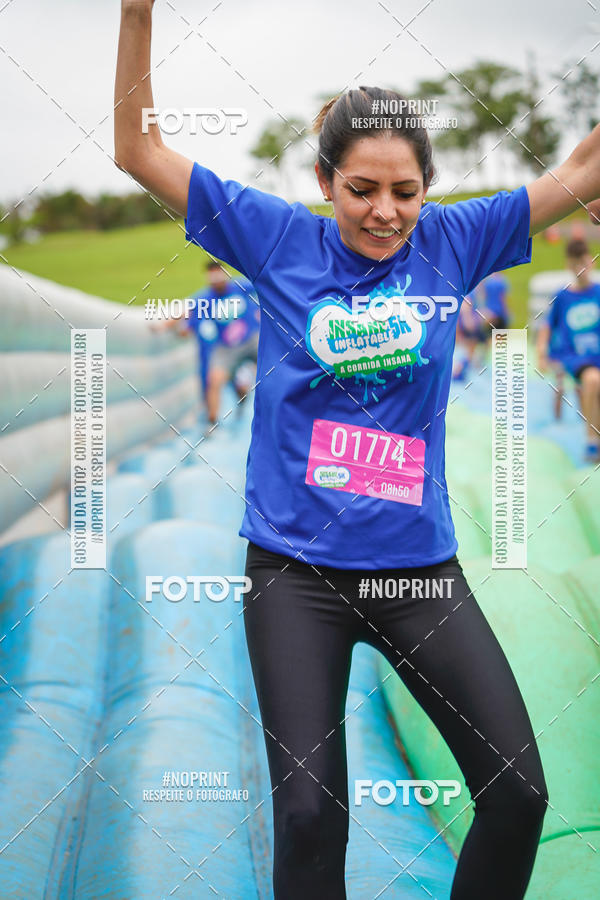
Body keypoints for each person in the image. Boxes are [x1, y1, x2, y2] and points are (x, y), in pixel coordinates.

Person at [115, 3, 600, 896]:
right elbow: (138, 152)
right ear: (325, 179)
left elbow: (581, 170)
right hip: (296, 576)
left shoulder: (456, 239)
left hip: (417, 571)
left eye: (405, 192)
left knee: (518, 793)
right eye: (362, 190)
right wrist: (138, 15)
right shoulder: (274, 237)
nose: (384, 212)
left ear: (428, 190)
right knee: (308, 817)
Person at [537, 238, 600, 460]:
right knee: (592, 381)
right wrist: (542, 353)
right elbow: (546, 327)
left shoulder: (598, 292)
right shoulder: (563, 297)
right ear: (569, 266)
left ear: (591, 262)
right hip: (575, 358)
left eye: (584, 263)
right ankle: (591, 441)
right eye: (575, 264)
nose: (581, 269)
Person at [186, 261, 260, 428]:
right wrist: (169, 326)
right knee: (214, 379)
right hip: (226, 347)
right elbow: (186, 310)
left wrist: (262, 311)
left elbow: (265, 287)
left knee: (271, 366)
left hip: (251, 340)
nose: (217, 281)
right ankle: (212, 422)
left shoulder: (240, 286)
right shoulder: (206, 298)